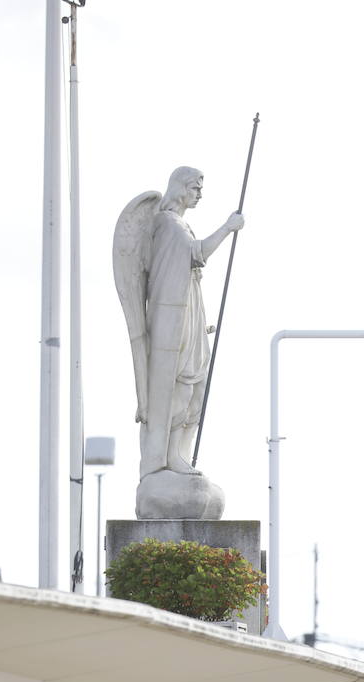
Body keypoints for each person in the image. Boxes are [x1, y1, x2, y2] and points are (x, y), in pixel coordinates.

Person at [114, 168, 244, 478]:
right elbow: (197, 254)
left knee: (196, 388)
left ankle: (180, 454)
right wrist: (228, 227)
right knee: (181, 388)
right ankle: (169, 456)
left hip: (189, 318)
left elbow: (186, 277)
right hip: (172, 323)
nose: (200, 193)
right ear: (180, 188)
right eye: (195, 187)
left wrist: (200, 324)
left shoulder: (180, 225)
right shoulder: (168, 224)